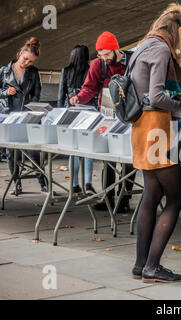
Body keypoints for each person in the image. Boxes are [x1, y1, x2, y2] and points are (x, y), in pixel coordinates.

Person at [129, 3, 181, 283]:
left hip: (141, 127)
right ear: (179, 30)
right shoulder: (161, 48)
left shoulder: (143, 46)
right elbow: (156, 96)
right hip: (157, 128)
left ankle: (140, 264)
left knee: (151, 195)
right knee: (176, 197)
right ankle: (153, 267)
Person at [69, 31, 135, 213]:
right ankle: (107, 196)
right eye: (101, 55)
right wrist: (79, 98)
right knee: (108, 158)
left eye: (107, 54)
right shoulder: (99, 64)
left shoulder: (132, 61)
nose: (104, 58)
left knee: (128, 159)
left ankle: (124, 199)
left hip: (129, 114)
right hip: (107, 114)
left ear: (115, 49)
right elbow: (89, 87)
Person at [0, 37, 47, 194]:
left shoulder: (34, 74)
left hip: (27, 117)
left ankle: (43, 182)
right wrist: (5, 92)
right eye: (25, 59)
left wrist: (30, 109)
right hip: (8, 117)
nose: (26, 63)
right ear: (20, 53)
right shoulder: (4, 71)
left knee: (34, 150)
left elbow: (37, 94)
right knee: (11, 152)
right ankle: (16, 184)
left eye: (30, 62)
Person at [58, 45, 97, 195]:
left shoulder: (65, 71)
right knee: (88, 150)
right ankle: (88, 183)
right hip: (88, 114)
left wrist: (61, 114)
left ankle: (74, 185)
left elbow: (61, 96)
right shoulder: (90, 71)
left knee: (72, 150)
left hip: (70, 115)